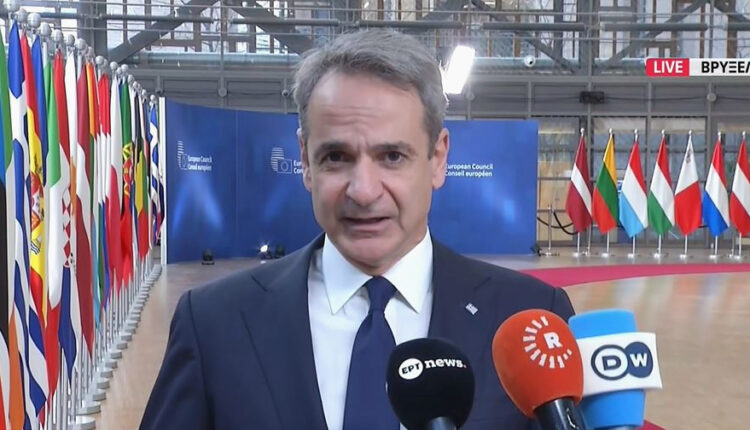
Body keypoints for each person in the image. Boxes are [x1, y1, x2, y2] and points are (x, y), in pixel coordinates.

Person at [140, 29, 574, 430]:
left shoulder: (532, 318)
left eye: (392, 157)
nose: (363, 191)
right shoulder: (214, 323)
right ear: (305, 161)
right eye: (336, 157)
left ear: (438, 158)